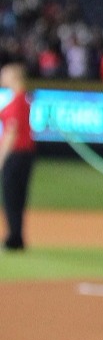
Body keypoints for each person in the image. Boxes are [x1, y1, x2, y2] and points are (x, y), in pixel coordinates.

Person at [0, 63, 36, 252]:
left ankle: (14, 238)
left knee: (11, 196)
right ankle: (16, 236)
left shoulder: (18, 101)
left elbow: (11, 133)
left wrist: (1, 158)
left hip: (16, 154)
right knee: (18, 197)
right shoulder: (24, 99)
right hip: (26, 154)